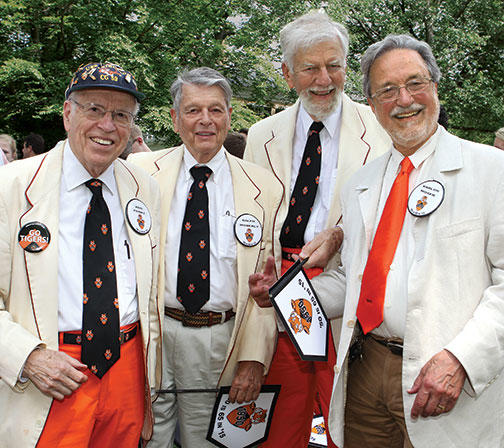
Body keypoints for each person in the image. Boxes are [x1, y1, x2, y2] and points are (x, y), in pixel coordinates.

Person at [291, 34, 504, 447]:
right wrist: (289, 295)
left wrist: (462, 359)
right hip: (366, 370)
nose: (404, 99)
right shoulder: (361, 185)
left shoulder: (493, 172)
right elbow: (355, 280)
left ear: (436, 88)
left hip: (446, 377)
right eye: (387, 90)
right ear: (372, 106)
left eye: (415, 83)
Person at [244, 11, 390, 447]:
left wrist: (340, 236)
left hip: (348, 291)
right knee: (280, 421)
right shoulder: (261, 134)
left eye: (335, 65)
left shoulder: (381, 129)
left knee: (344, 422)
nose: (324, 79)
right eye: (310, 67)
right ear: (288, 74)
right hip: (277, 289)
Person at [0, 62, 162, 447]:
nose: (108, 125)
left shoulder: (145, 189)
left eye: (121, 115)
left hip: (126, 371)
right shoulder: (11, 187)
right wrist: (29, 357)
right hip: (50, 373)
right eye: (94, 110)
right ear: (68, 113)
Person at [129, 67, 282, 448]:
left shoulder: (264, 187)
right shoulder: (138, 174)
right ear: (174, 117)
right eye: (194, 110)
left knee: (209, 442)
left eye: (216, 110)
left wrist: (254, 358)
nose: (205, 121)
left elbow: (268, 281)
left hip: (219, 340)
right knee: (147, 437)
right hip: (153, 335)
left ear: (230, 115)